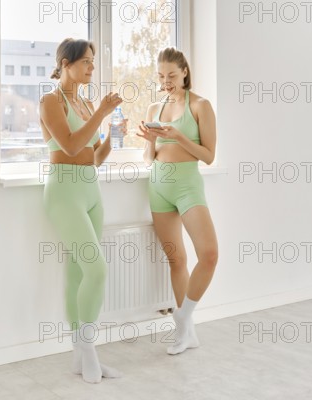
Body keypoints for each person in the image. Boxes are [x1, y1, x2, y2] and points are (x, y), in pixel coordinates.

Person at [39, 38, 126, 383]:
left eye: (93, 61)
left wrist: (111, 136)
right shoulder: (50, 101)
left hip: (91, 189)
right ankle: (90, 350)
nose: (92, 67)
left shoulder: (87, 104)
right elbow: (71, 145)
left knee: (80, 272)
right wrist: (103, 115)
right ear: (65, 62)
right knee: (97, 270)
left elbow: (93, 157)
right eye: (86, 61)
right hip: (64, 191)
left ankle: (79, 354)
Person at [137, 47, 219, 355]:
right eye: (160, 76)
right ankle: (187, 333)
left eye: (171, 75)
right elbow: (149, 158)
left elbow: (209, 156)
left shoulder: (200, 106)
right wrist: (152, 140)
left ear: (184, 71)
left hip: (187, 185)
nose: (166, 81)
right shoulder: (153, 108)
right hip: (159, 184)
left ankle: (183, 314)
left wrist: (179, 136)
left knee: (209, 254)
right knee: (177, 260)